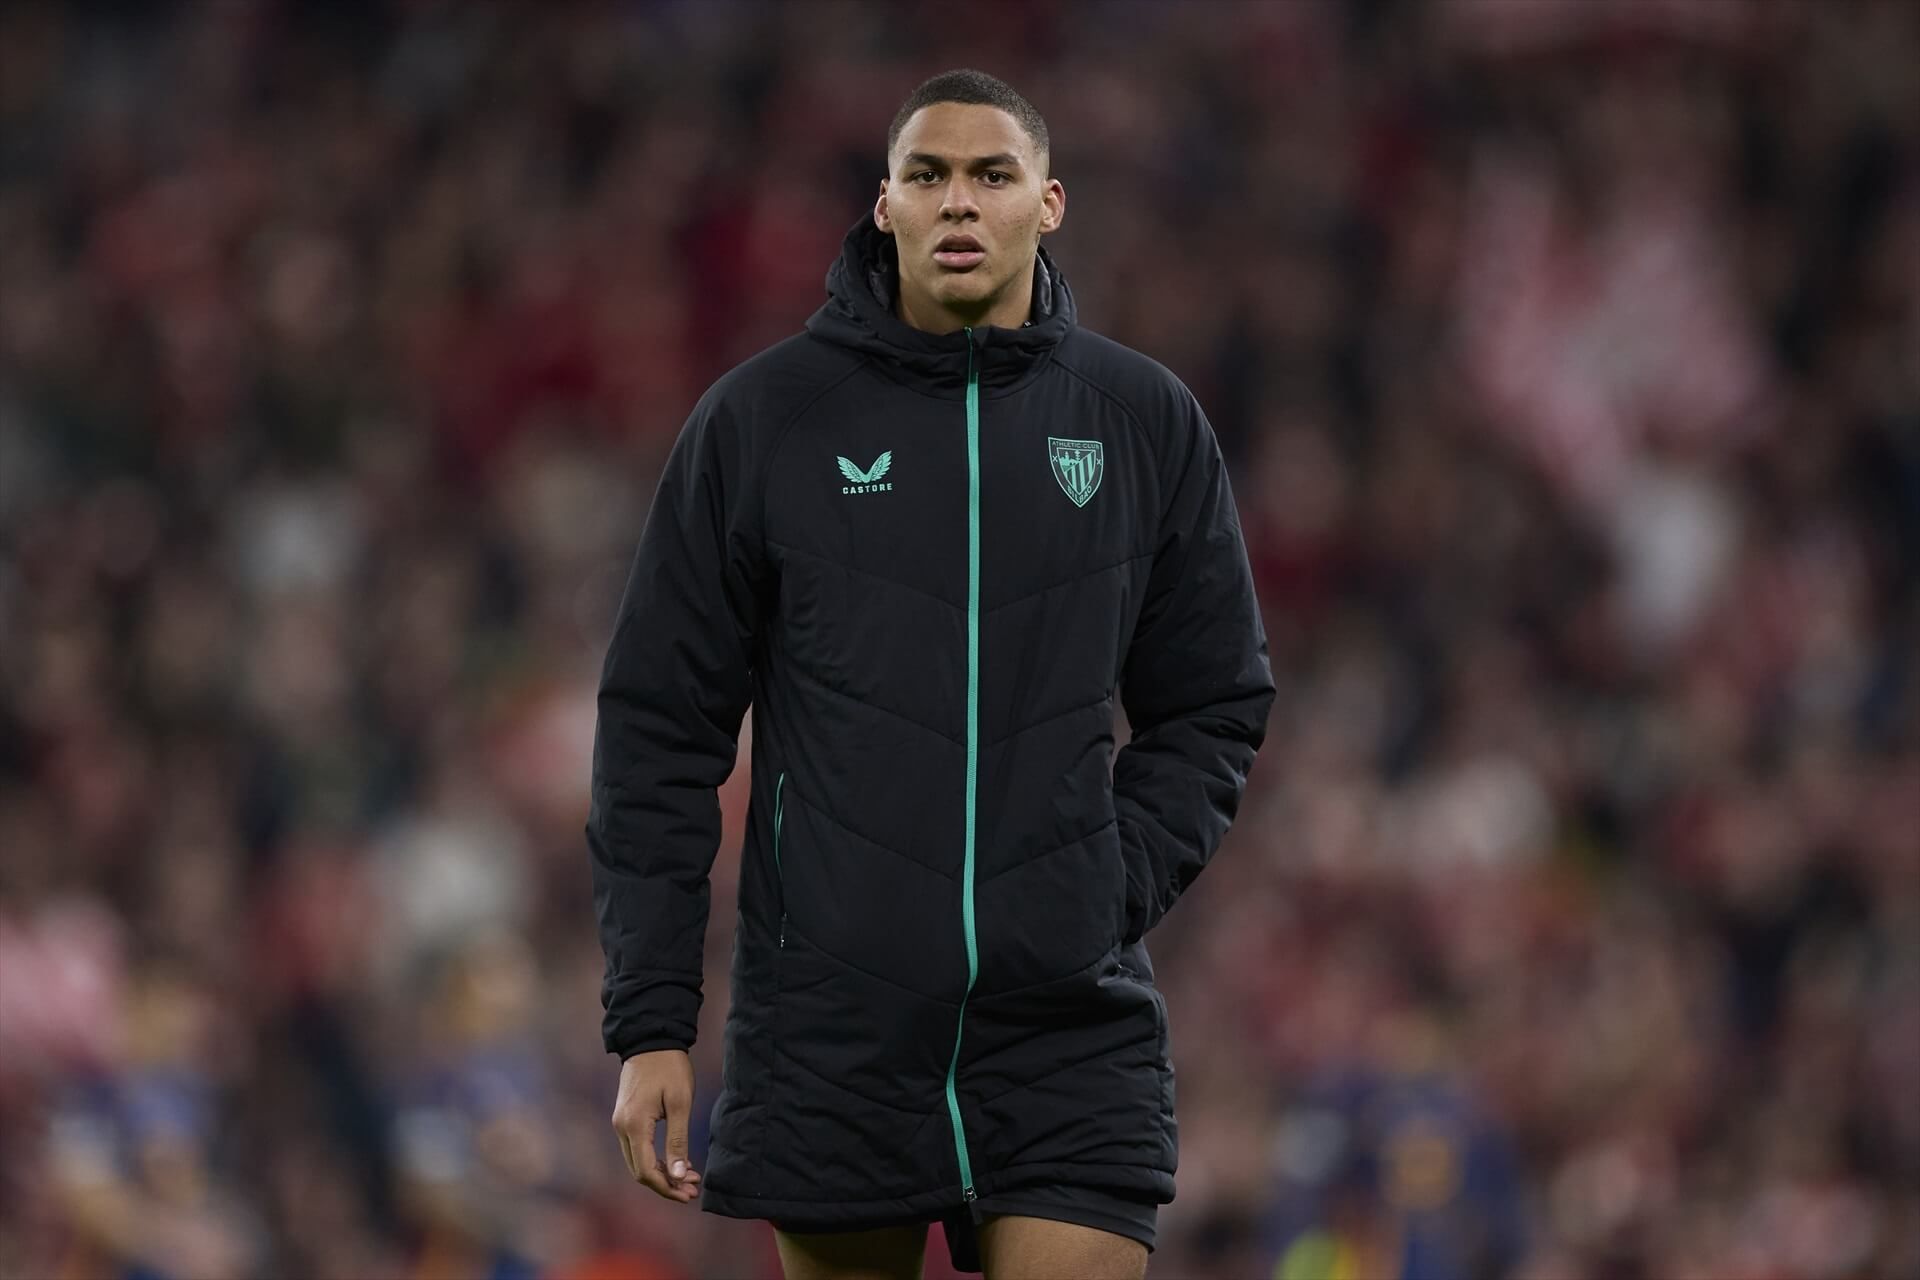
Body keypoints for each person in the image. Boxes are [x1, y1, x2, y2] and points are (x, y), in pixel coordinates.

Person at [587, 69, 1274, 1280]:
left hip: (1067, 1026)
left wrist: (1102, 886)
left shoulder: (1141, 421)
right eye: (929, 175)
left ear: (1048, 203)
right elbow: (658, 728)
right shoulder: (761, 423)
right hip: (834, 1029)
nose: (959, 200)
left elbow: (1215, 698)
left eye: (992, 175)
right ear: (885, 206)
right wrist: (651, 1024)